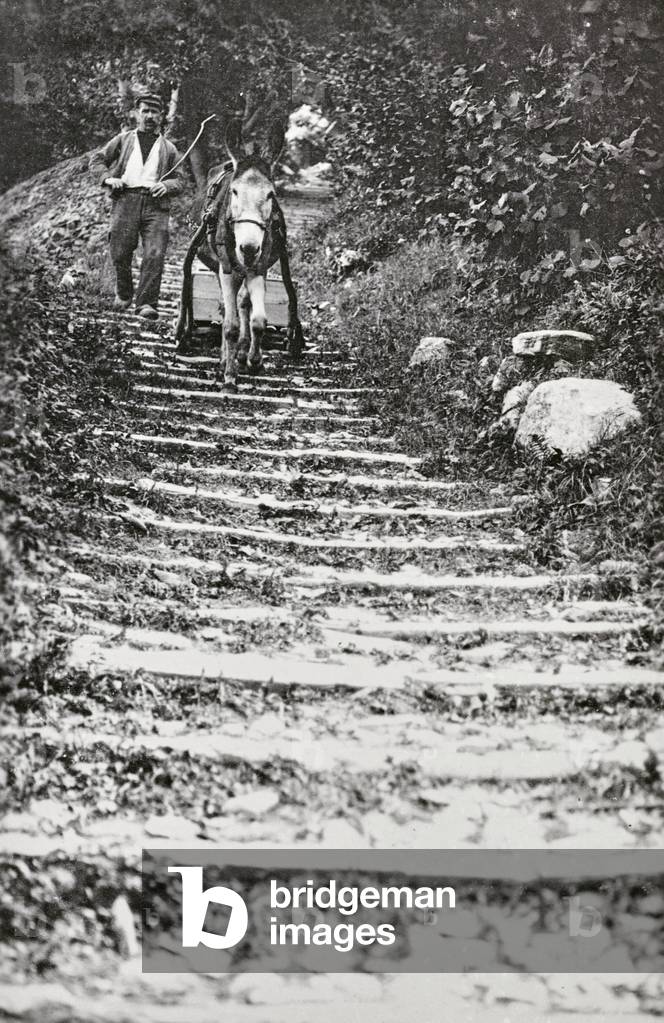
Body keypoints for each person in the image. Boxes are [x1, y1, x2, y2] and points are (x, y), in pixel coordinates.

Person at [90, 92, 186, 319]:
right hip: (125, 199)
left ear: (161, 116)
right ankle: (124, 293)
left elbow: (181, 179)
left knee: (155, 253)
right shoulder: (122, 140)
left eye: (154, 112)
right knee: (120, 250)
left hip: (156, 205)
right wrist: (108, 178)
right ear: (136, 114)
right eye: (145, 111)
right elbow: (97, 160)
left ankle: (146, 304)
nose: (149, 116)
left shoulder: (169, 149)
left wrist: (167, 186)